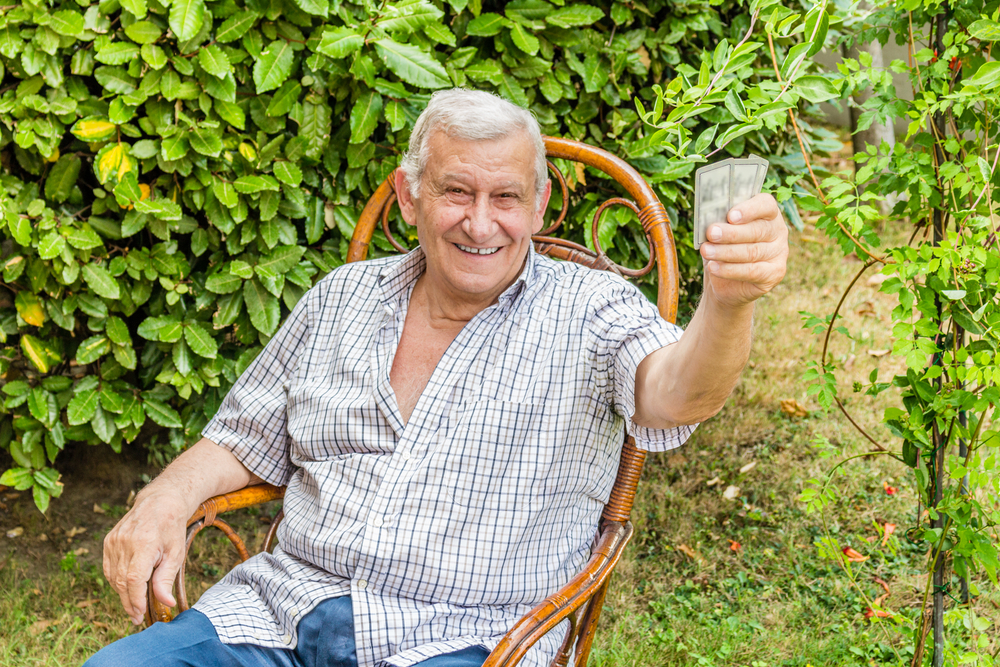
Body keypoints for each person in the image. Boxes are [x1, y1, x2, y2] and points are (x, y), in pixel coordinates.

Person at [87, 89, 789, 667]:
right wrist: (162, 499)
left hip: (459, 639)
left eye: (507, 197)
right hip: (277, 613)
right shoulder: (343, 297)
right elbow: (243, 435)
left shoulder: (590, 309)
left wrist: (729, 302)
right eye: (456, 190)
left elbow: (676, 391)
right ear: (409, 194)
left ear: (540, 205)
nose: (481, 222)